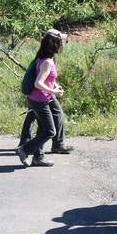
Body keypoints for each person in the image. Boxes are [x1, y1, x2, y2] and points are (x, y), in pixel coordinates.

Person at [16, 29, 68, 168]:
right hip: (40, 100)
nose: (61, 44)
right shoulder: (47, 62)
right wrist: (53, 92)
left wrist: (55, 87)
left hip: (40, 98)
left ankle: (38, 158)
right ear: (54, 45)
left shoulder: (42, 58)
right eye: (59, 42)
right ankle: (25, 149)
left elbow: (46, 78)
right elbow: (38, 83)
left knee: (43, 128)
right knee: (50, 131)